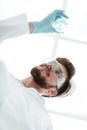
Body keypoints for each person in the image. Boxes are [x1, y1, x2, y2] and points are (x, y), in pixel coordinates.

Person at [0, 10, 76, 130]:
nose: (51, 66)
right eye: (53, 63)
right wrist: (36, 26)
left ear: (52, 92)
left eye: (58, 73)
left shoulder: (42, 121)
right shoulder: (2, 73)